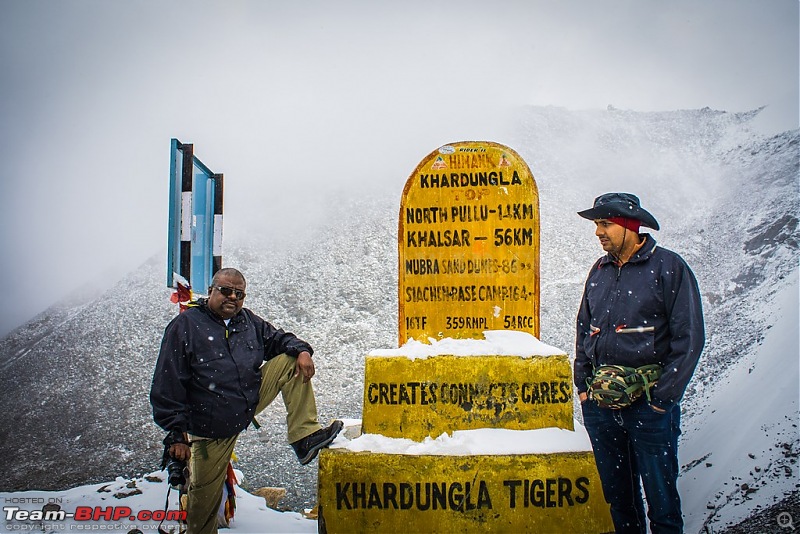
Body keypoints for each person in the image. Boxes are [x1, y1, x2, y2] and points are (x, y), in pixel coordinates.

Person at [150, 267, 343, 534]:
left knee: (290, 360)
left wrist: (302, 350)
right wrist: (176, 434)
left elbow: (280, 340)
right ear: (211, 291)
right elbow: (167, 382)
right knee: (202, 510)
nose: (232, 298)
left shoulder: (247, 321)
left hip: (245, 404)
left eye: (239, 294)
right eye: (225, 291)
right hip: (209, 427)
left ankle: (304, 437)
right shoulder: (186, 326)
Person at [573, 193, 705, 534]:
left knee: (661, 504)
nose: (598, 232)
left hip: (649, 409)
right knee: (620, 500)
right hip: (601, 407)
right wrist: (583, 389)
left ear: (631, 226)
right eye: (597, 224)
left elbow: (688, 339)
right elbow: (584, 329)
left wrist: (661, 401)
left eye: (605, 224)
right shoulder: (599, 271)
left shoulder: (668, 268)